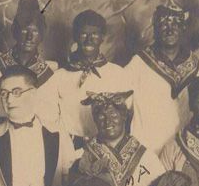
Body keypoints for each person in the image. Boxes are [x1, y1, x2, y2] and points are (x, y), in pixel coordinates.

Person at [76, 91, 161, 186]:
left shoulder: (148, 158)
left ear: (124, 116)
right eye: (101, 117)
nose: (108, 121)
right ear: (95, 120)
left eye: (113, 115)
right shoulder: (83, 156)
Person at [53, 9, 138, 143]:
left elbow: (127, 115)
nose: (89, 40)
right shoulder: (59, 77)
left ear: (102, 37)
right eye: (83, 34)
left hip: (108, 146)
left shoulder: (118, 73)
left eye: (94, 34)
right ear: (75, 37)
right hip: (70, 147)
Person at [0, 0, 59, 129]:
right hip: (0, 131)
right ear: (15, 31)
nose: (29, 37)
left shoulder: (48, 73)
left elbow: (52, 115)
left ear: (41, 35)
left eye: (35, 31)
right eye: (24, 30)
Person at [129, 1, 199, 153]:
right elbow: (121, 105)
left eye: (175, 25)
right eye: (163, 25)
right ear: (155, 30)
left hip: (183, 148)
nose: (169, 30)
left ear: (183, 28)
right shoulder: (139, 62)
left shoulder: (196, 65)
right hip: (147, 147)